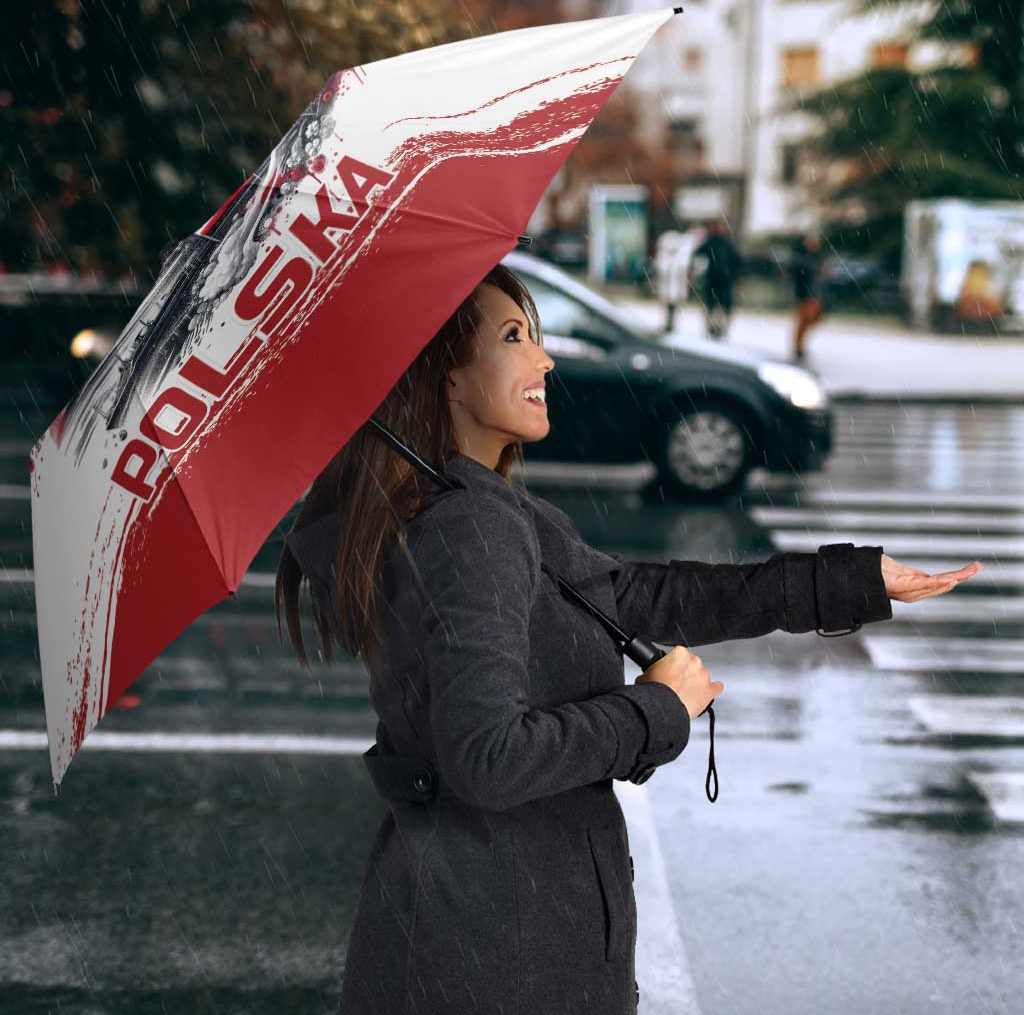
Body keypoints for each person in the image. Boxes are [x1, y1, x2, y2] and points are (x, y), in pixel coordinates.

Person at [276, 263, 980, 1015]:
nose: (544, 359)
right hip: (496, 954)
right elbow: (487, 759)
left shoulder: (480, 510)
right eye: (514, 337)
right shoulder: (469, 528)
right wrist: (655, 710)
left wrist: (850, 581)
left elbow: (642, 596)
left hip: (484, 934)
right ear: (445, 379)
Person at [692, 217, 742, 340]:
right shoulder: (712, 242)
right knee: (713, 305)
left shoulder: (725, 243)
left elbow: (736, 261)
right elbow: (698, 255)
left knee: (720, 306)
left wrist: (735, 275)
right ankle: (713, 328)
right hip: (715, 279)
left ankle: (719, 328)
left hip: (723, 279)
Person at [790, 230, 826, 361]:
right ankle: (798, 346)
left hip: (814, 294)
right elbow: (799, 277)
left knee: (812, 319)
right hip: (805, 294)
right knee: (804, 320)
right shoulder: (802, 258)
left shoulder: (817, 257)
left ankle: (799, 345)